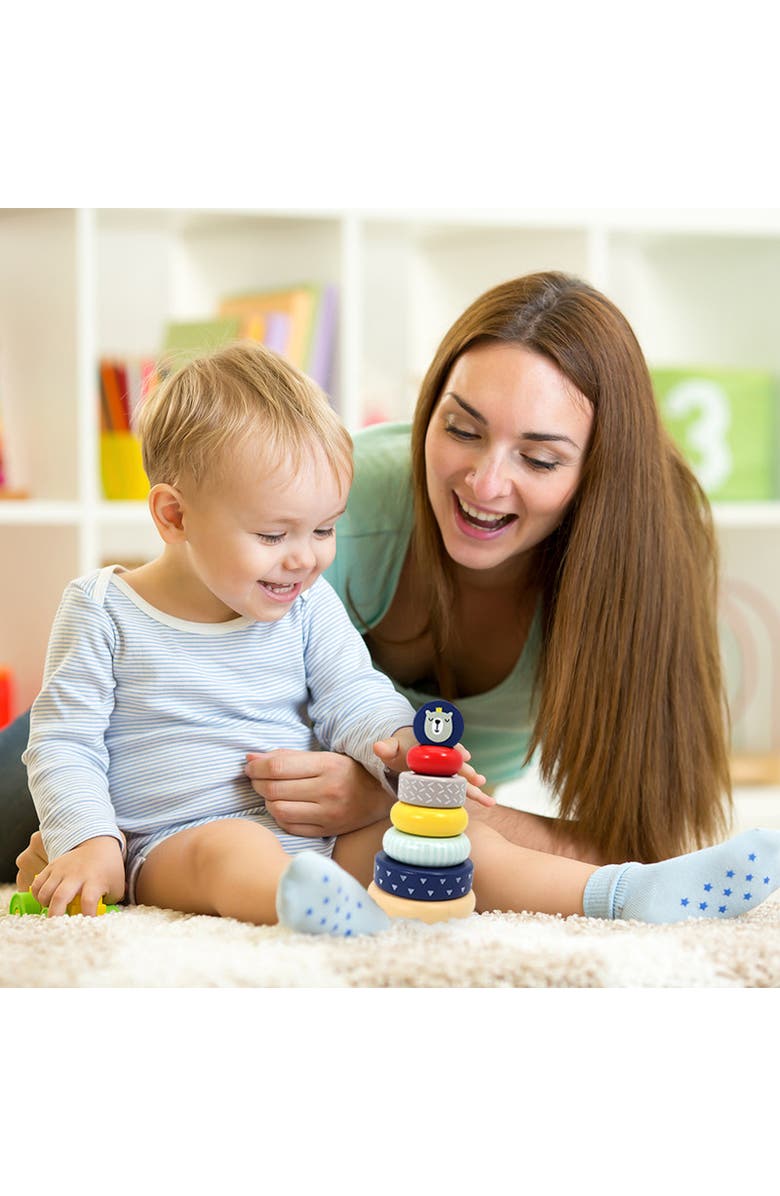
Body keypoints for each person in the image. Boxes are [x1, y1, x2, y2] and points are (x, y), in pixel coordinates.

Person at [14, 340, 780, 931]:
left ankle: (619, 894)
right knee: (231, 854)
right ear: (174, 516)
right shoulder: (103, 610)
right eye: (276, 533)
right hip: (175, 837)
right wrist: (86, 836)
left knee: (446, 847)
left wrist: (396, 746)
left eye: (323, 529)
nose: (307, 557)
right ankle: (315, 914)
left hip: (312, 833)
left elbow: (354, 692)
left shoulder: (305, 604)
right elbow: (64, 742)